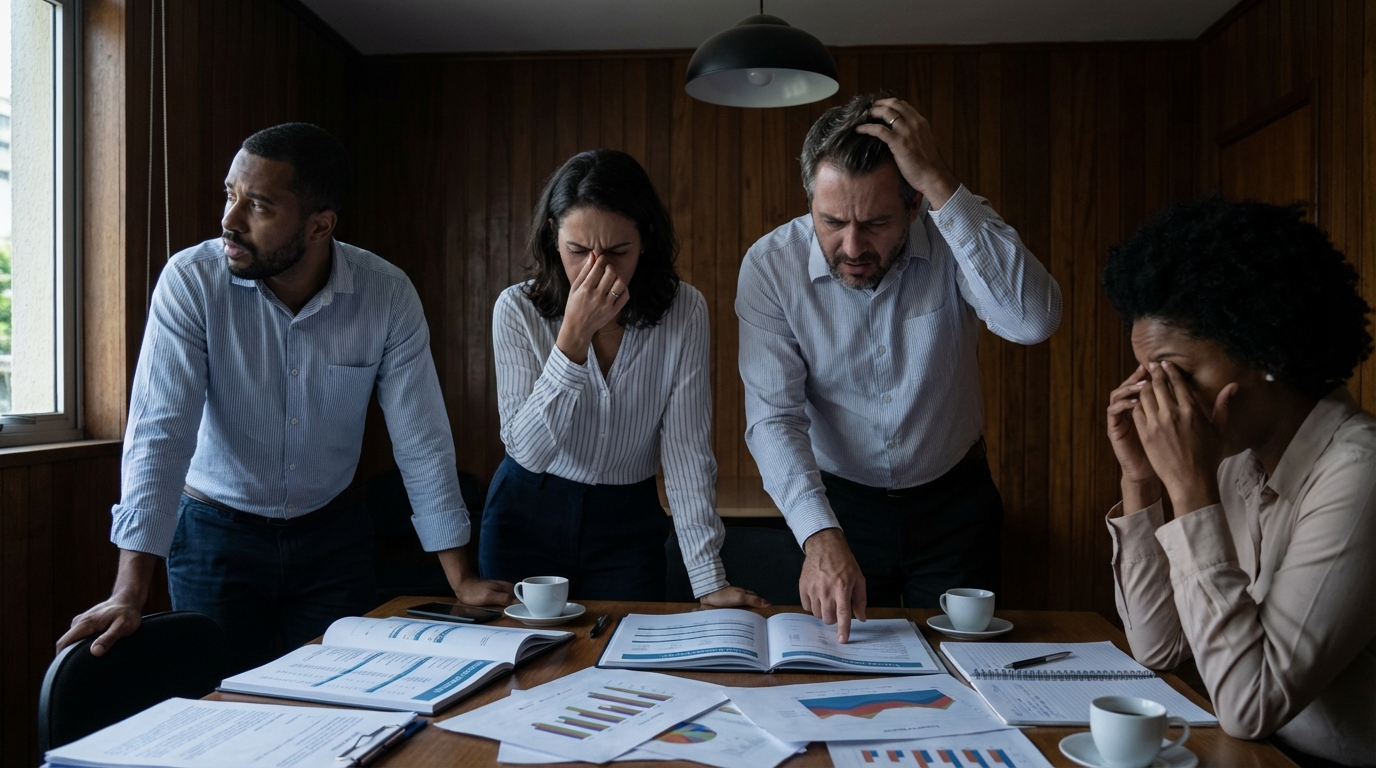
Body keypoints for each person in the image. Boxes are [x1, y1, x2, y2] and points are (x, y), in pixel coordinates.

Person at [57, 123, 511, 674]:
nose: (229, 220)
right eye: (230, 194)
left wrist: (461, 579)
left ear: (319, 225)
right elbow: (160, 432)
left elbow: (421, 439)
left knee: (346, 698)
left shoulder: (386, 294)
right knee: (222, 704)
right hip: (214, 535)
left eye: (258, 205)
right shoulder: (191, 282)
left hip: (332, 540)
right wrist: (128, 591)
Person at [736, 92, 1062, 641]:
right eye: (831, 221)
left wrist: (938, 181)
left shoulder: (955, 230)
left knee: (964, 665)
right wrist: (819, 535)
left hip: (954, 504)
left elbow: (1032, 322)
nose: (851, 246)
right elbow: (774, 418)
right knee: (849, 665)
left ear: (914, 206)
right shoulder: (771, 266)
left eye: (876, 222)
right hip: (838, 507)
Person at [1102, 196, 1376, 766]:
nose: (1157, 401)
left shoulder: (1360, 473)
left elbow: (1250, 705)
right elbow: (1159, 648)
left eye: (1176, 374)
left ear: (1267, 353)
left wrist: (1190, 491)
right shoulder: (1235, 462)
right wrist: (1140, 480)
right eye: (1149, 377)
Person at [481, 149, 765, 608]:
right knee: (525, 649)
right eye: (578, 252)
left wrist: (709, 581)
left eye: (617, 252)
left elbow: (687, 451)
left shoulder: (684, 310)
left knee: (624, 646)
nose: (598, 271)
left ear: (645, 239)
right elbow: (528, 452)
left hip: (628, 521)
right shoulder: (516, 309)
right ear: (554, 237)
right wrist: (572, 340)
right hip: (526, 511)